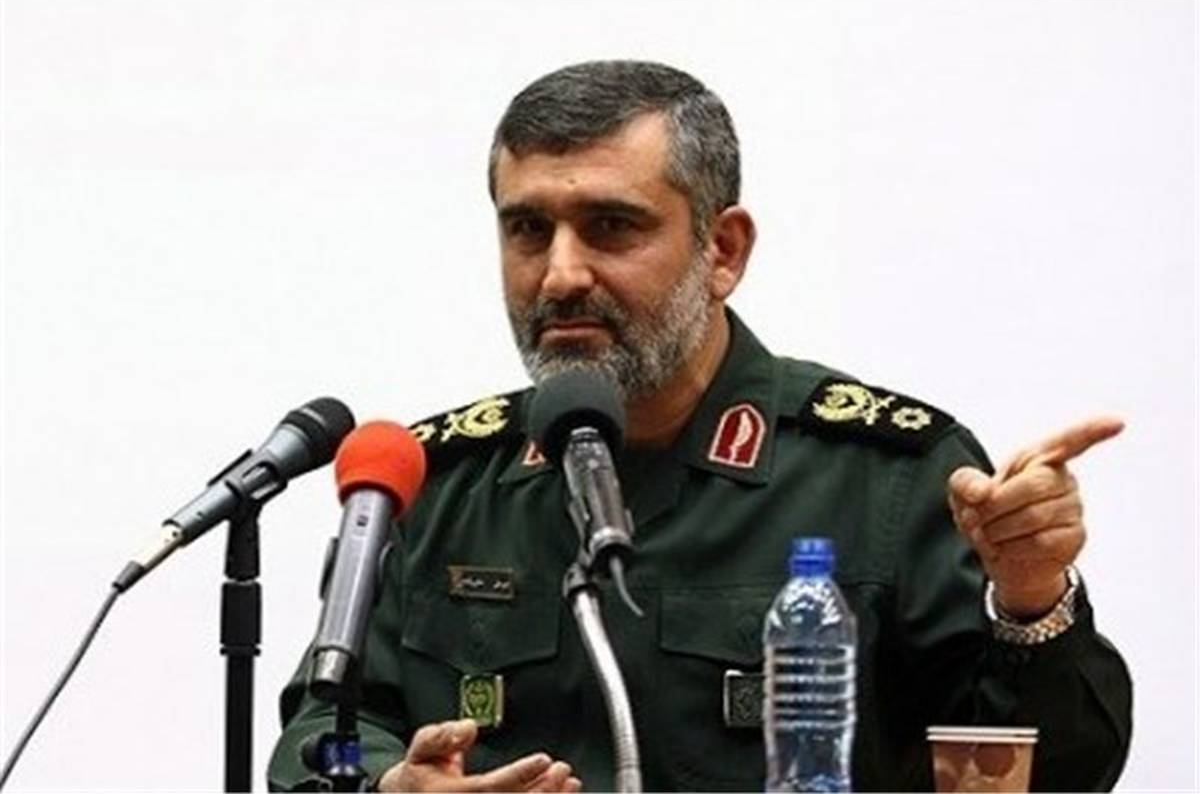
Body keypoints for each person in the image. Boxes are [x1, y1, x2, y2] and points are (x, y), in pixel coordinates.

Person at [268, 60, 1131, 792]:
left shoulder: (884, 477)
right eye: (528, 229)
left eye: (611, 227)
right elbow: (321, 726)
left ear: (724, 251)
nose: (561, 275)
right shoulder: (440, 483)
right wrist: (385, 783)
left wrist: (1030, 599)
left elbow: (1060, 773)